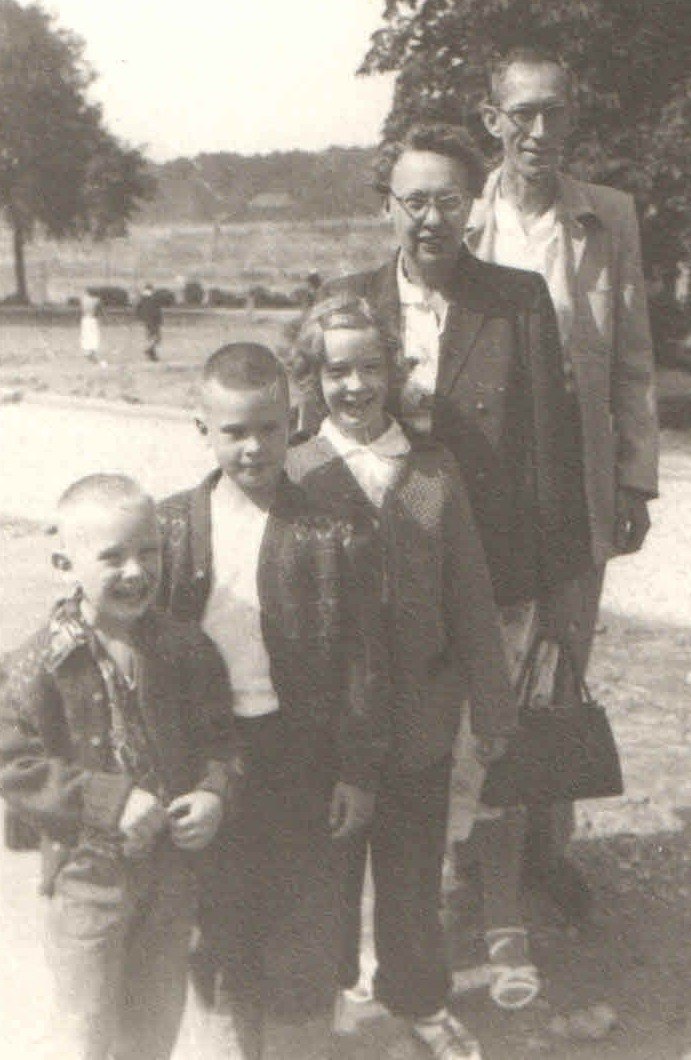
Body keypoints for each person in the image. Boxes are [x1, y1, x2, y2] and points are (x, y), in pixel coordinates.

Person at [307, 123, 592, 1019]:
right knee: (380, 753)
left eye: (448, 199)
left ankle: (501, 914)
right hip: (367, 582)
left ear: (474, 205)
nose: (430, 217)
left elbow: (551, 446)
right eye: (412, 198)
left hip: (492, 571)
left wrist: (553, 592)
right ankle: (371, 936)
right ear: (386, 203)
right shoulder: (349, 297)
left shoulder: (516, 299)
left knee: (493, 749)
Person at [287, 293, 518, 1060]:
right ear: (312, 376)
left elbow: (473, 596)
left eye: (369, 367)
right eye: (336, 371)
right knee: (328, 870)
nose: (354, 386)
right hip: (327, 729)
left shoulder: (431, 469)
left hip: (422, 715)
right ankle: (325, 998)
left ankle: (418, 999)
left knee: (414, 874)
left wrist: (491, 705)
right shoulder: (295, 472)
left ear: (394, 369)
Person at [156, 342, 390, 1060]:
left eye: (267, 427)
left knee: (304, 924)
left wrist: (356, 769)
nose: (253, 447)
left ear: (293, 421)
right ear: (202, 429)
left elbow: (364, 657)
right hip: (209, 761)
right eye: (233, 431)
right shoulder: (170, 528)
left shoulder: (332, 527)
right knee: (217, 925)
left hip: (303, 758)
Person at [471, 47, 659, 910]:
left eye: (557, 114)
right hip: (480, 491)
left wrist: (633, 481)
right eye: (525, 113)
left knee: (561, 667)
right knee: (476, 668)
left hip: (575, 487)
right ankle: (464, 862)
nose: (541, 132)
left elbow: (632, 363)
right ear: (494, 119)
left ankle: (547, 855)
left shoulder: (607, 217)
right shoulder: (458, 218)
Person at [0, 474, 236, 1060]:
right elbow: (14, 762)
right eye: (112, 556)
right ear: (64, 563)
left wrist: (214, 792)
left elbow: (224, 740)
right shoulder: (39, 662)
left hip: (171, 874)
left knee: (153, 1026)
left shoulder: (187, 650)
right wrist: (107, 802)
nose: (136, 571)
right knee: (83, 1029)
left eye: (148, 551)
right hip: (86, 879)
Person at [136, 284, 163, 361]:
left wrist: (140, 318)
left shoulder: (142, 299)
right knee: (157, 338)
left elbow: (138, 309)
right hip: (154, 321)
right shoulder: (154, 299)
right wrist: (160, 320)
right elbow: (157, 311)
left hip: (146, 320)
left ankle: (152, 353)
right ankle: (149, 350)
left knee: (151, 337)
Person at [80, 288, 104, 365]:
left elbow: (82, 310)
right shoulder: (97, 300)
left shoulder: (83, 300)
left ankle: (87, 351)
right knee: (94, 335)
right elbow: (99, 311)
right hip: (93, 319)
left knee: (86, 335)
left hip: (85, 319)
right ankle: (92, 351)